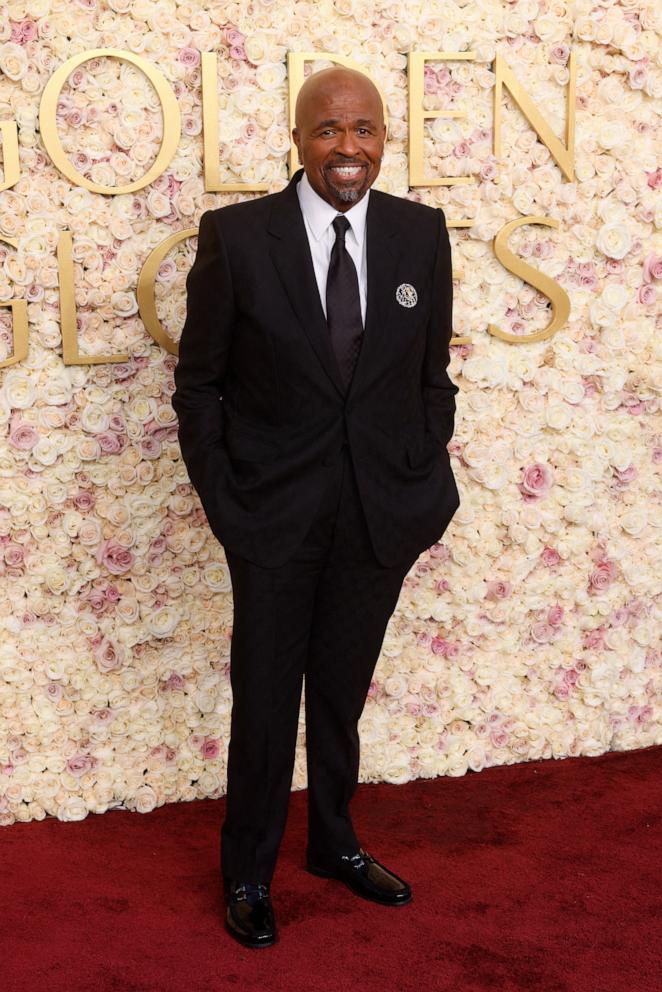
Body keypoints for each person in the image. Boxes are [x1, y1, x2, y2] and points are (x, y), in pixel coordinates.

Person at [171, 65, 460, 949]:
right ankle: (249, 871)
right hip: (272, 517)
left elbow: (429, 378)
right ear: (298, 139)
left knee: (339, 695)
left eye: (365, 130)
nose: (349, 149)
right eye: (329, 131)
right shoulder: (240, 237)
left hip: (379, 516)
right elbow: (200, 385)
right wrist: (227, 500)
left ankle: (334, 843)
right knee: (264, 700)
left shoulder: (419, 234)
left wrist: (419, 469)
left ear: (384, 140)